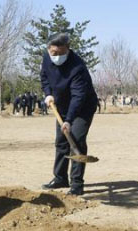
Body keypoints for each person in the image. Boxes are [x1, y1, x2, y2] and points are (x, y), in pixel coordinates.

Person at [40, 32, 98, 196]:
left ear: (68, 49)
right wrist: (48, 93)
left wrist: (69, 120)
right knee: (61, 141)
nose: (57, 56)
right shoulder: (46, 58)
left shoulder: (77, 67)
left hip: (83, 106)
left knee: (76, 139)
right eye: (54, 53)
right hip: (61, 105)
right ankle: (60, 178)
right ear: (48, 50)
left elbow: (78, 96)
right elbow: (44, 77)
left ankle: (77, 184)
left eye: (61, 53)